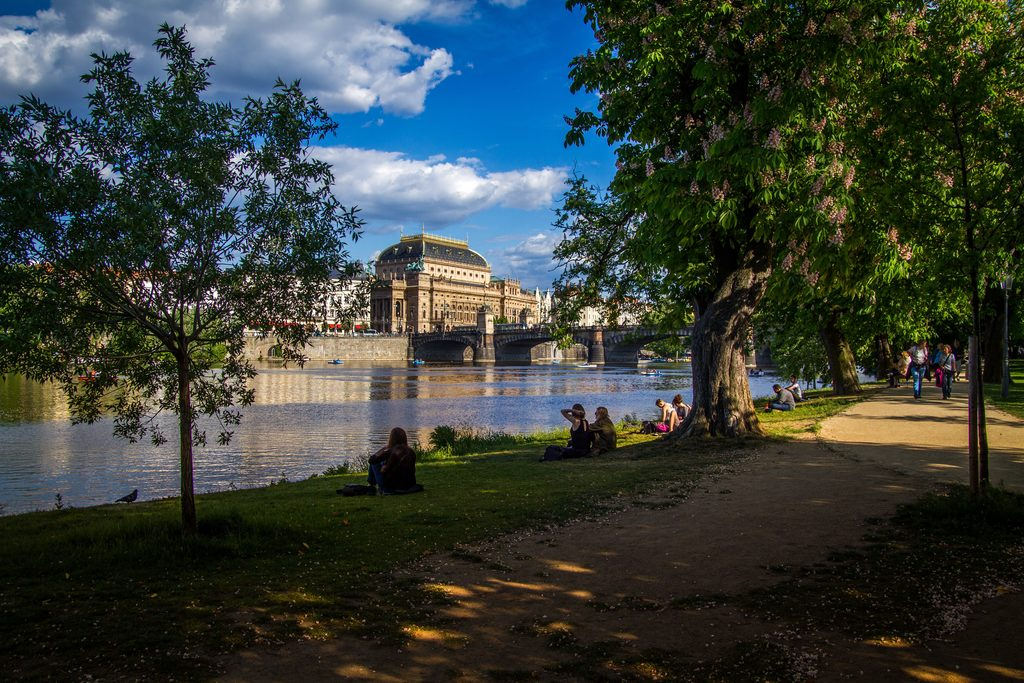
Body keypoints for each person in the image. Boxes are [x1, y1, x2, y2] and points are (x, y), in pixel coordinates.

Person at [367, 427, 417, 494]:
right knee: (380, 462)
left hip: (392, 486)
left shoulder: (390, 451)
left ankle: (372, 485)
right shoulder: (411, 451)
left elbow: (371, 460)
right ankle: (372, 485)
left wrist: (383, 449)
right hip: (410, 484)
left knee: (374, 463)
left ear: (391, 438)